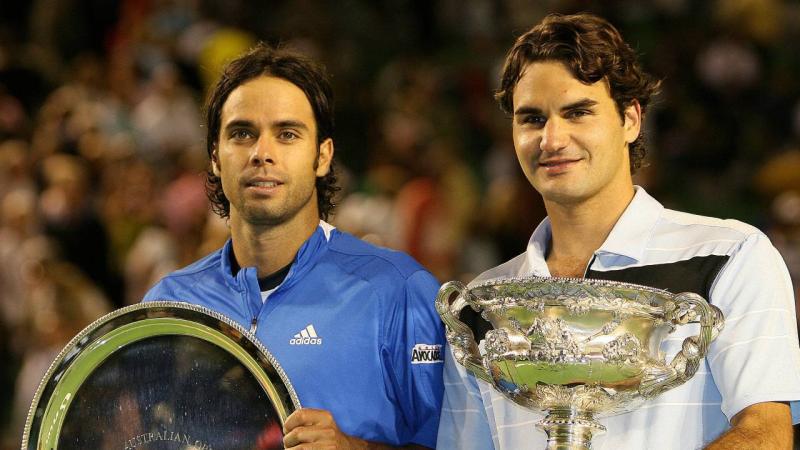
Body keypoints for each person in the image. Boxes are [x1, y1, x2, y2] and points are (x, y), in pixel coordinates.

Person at [437, 13, 800, 450]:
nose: (552, 139)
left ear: (630, 119)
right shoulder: (483, 302)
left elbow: (765, 433)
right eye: (532, 119)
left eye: (578, 113)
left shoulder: (731, 256)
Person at [143, 43, 444, 449]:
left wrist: (353, 449)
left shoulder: (400, 291)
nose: (261, 153)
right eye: (242, 133)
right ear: (215, 156)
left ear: (322, 156)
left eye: (286, 134)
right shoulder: (170, 305)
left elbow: (463, 441)